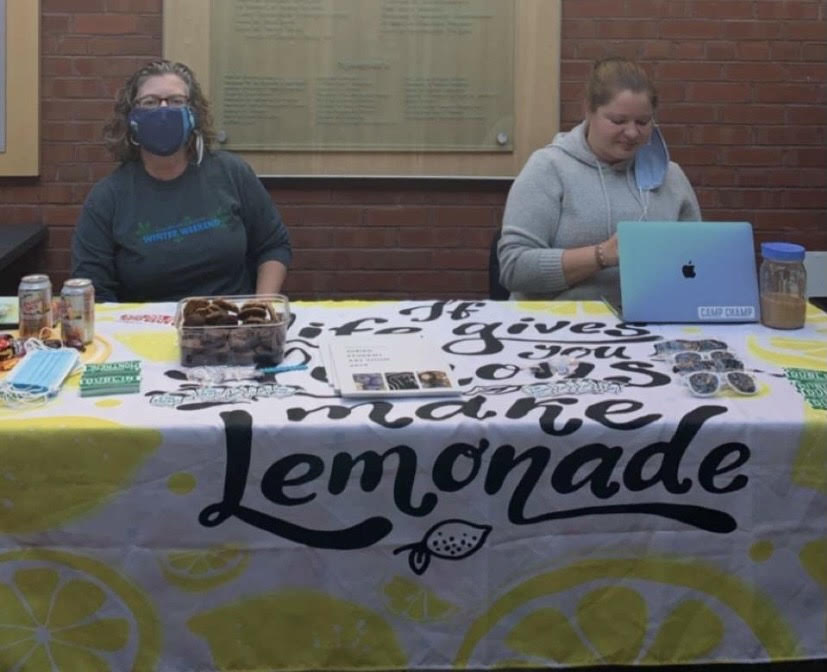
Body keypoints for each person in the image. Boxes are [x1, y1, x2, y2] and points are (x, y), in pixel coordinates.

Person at [71, 60, 292, 302]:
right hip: (146, 332)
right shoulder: (108, 197)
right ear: (131, 118)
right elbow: (93, 287)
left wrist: (260, 308)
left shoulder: (231, 172)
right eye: (150, 102)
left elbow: (273, 245)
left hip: (232, 323)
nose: (164, 111)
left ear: (193, 114)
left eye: (176, 102)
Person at [497, 56, 701, 303]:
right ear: (588, 111)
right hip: (556, 327)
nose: (632, 132)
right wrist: (601, 256)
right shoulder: (548, 169)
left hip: (649, 324)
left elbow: (697, 260)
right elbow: (514, 268)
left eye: (643, 122)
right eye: (618, 121)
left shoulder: (671, 177)